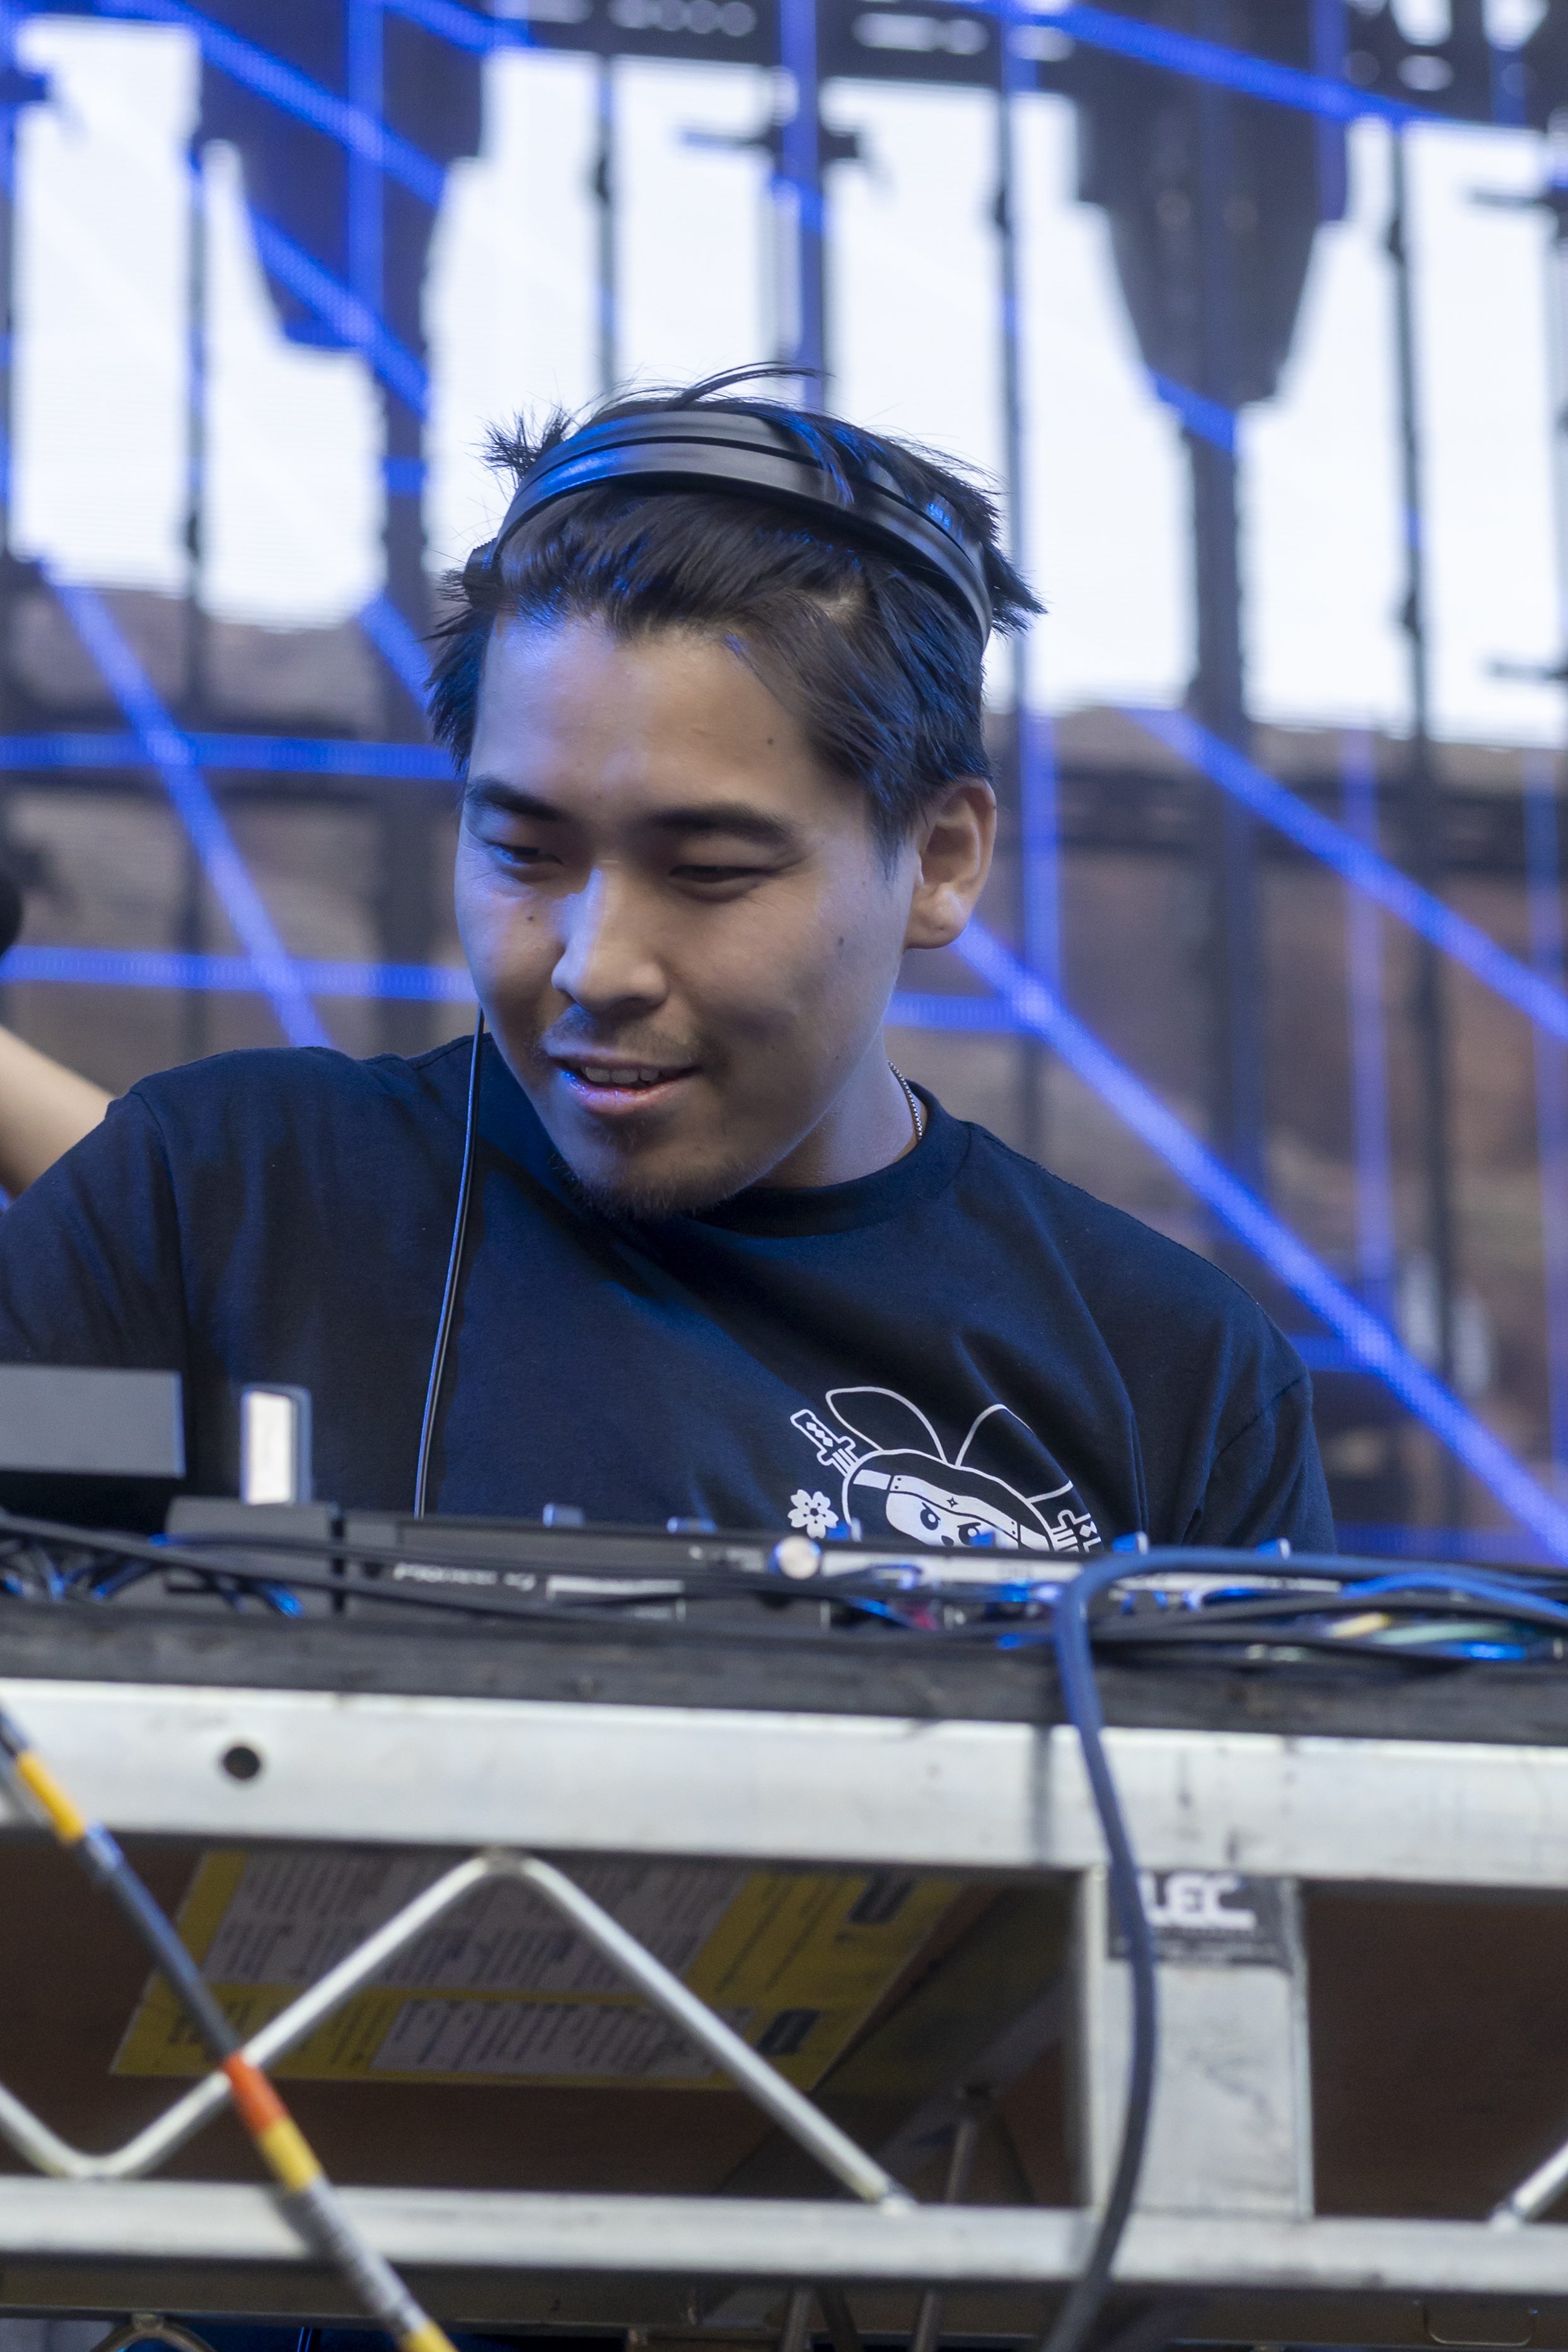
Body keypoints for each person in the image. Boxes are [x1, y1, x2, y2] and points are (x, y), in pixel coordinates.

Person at [0, 375, 1332, 1554]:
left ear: (937, 858)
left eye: (705, 871)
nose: (596, 962)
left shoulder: (1173, 1374)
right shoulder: (216, 1195)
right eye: (523, 852)